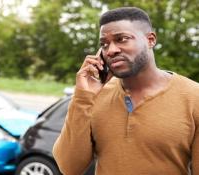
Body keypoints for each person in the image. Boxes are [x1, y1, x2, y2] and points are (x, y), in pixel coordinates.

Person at [53, 7, 199, 175]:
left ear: (150, 40)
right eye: (104, 44)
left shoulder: (193, 97)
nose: (111, 50)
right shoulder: (93, 97)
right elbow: (68, 168)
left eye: (121, 39)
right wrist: (83, 96)